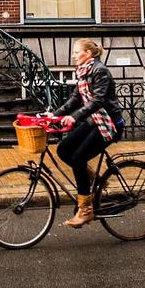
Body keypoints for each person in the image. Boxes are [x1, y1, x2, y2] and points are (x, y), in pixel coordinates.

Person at [53, 38, 123, 228]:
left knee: (78, 158)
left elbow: (98, 101)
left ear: (88, 54)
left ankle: (85, 210)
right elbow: (75, 99)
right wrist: (53, 116)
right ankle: (94, 179)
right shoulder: (83, 71)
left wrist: (74, 118)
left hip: (109, 123)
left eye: (76, 52)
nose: (73, 55)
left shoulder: (100, 71)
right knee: (63, 149)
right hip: (95, 121)